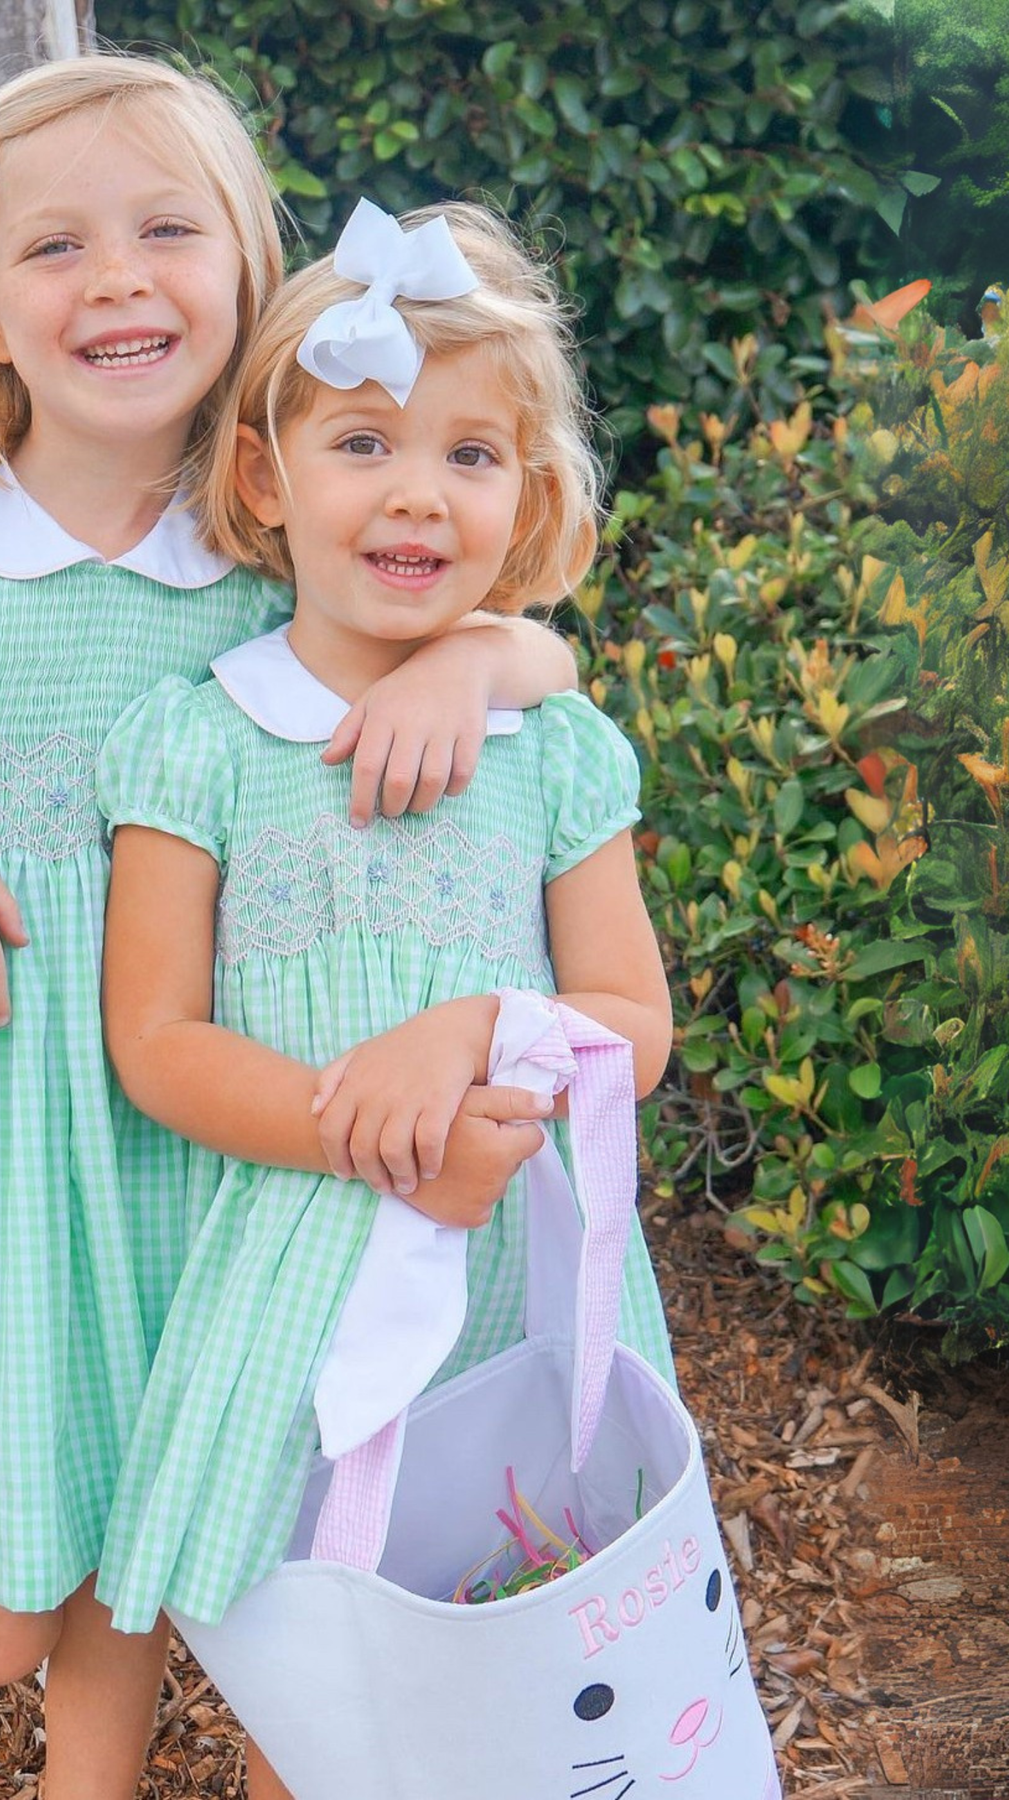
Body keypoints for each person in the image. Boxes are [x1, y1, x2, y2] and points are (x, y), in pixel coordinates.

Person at [0, 46, 580, 1800]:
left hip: (221, 1123)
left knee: (210, 1496)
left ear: (248, 270)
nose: (117, 279)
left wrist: (480, 661)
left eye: (168, 231)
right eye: (56, 246)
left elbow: (516, 625)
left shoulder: (266, 534)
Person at [94, 198, 679, 1799]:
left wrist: (480, 1034)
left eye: (470, 455)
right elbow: (156, 1041)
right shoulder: (199, 740)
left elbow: (630, 1022)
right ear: (265, 476)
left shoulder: (557, 752)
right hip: (298, 1275)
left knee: (520, 1640)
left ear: (528, 497)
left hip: (513, 1279)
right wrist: (373, 1136)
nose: (418, 491)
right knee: (325, 1690)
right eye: (363, 443)